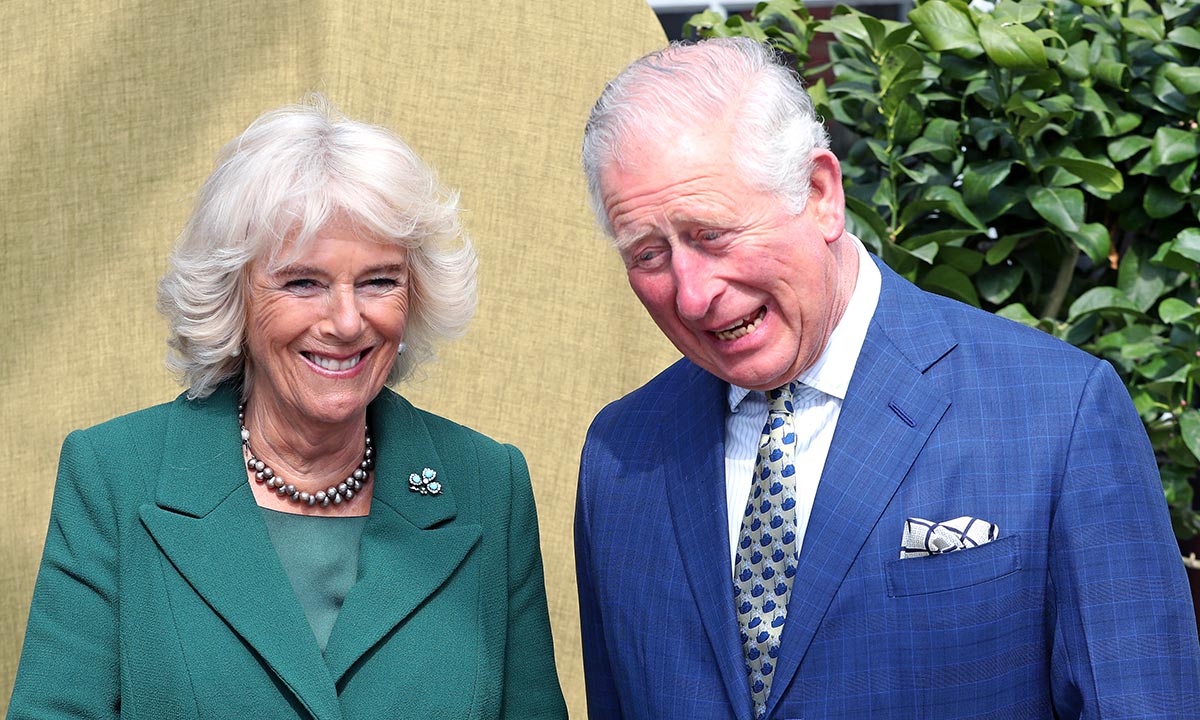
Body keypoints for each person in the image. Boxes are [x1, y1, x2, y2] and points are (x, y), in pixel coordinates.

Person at [574, 37, 1200, 720]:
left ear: (819, 194)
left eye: (712, 234)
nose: (693, 295)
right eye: (648, 254)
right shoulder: (621, 456)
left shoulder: (1058, 415)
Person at [10, 95, 567, 719]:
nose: (347, 321)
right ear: (234, 297)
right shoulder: (113, 476)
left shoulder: (489, 485)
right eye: (303, 282)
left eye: (379, 281)